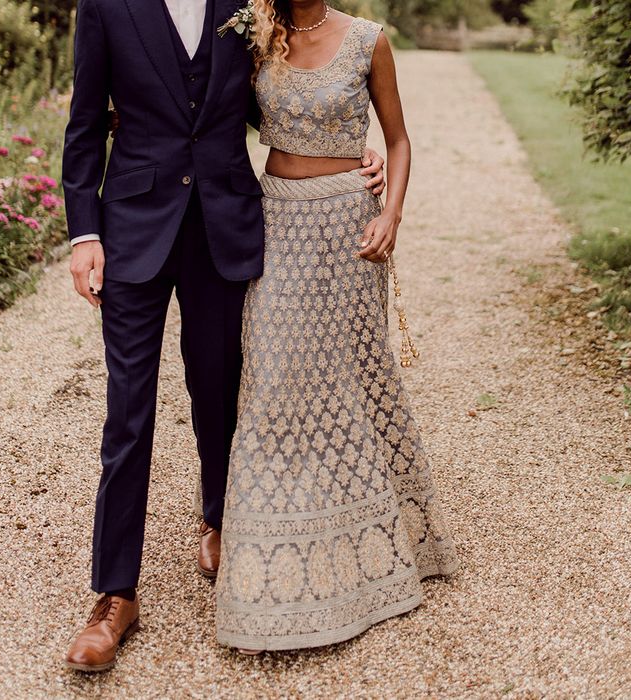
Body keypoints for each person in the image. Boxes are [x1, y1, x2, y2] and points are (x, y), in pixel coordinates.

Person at [60, 0, 385, 672]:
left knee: (219, 389)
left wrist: (353, 146)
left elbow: (271, 100)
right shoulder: (105, 6)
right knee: (129, 412)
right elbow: (86, 121)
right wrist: (85, 234)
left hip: (224, 225)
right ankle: (114, 594)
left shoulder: (250, 5)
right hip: (132, 230)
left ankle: (217, 521)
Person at [214, 0, 460, 653]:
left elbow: (400, 140)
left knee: (356, 382)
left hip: (350, 228)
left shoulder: (368, 40)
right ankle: (265, 566)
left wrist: (393, 213)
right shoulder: (254, 33)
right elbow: (210, 116)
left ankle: (375, 544)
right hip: (278, 223)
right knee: (269, 384)